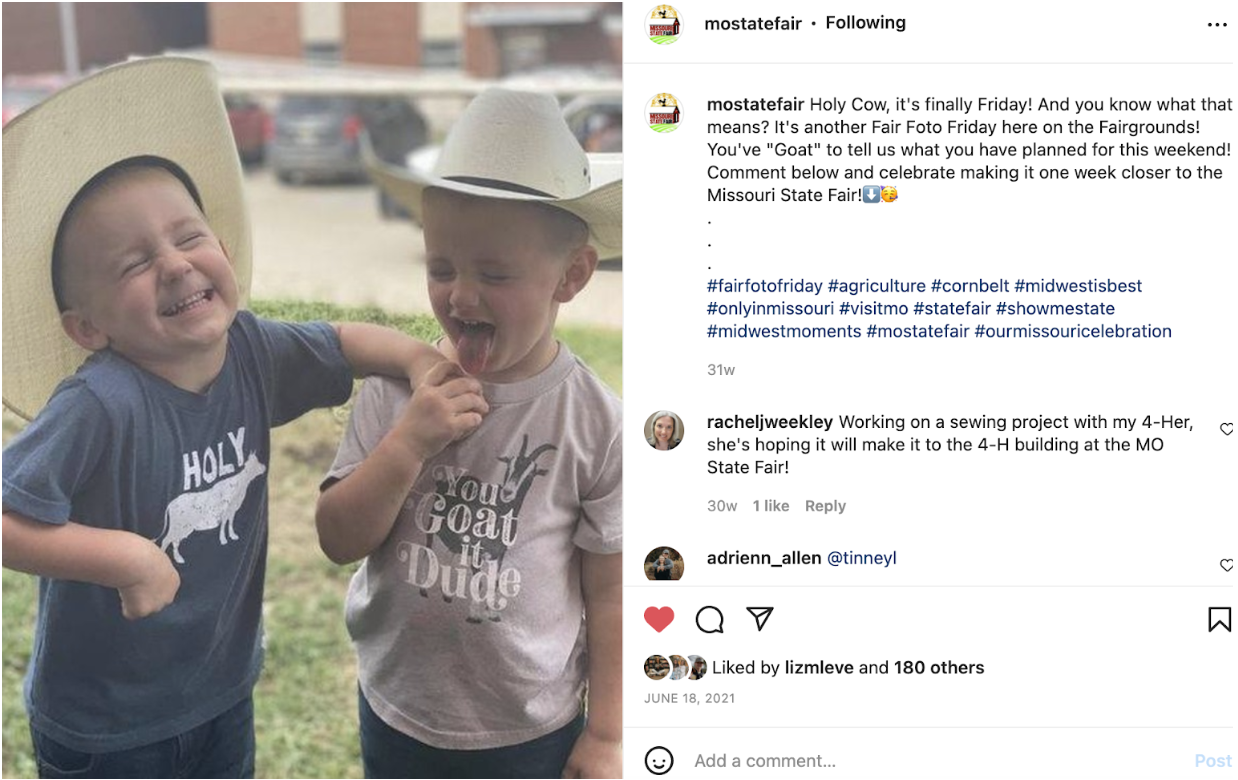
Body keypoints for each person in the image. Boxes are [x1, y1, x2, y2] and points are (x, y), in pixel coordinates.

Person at [0, 58, 481, 778]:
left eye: (188, 237)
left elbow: (345, 342)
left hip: (220, 690)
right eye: (133, 262)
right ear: (86, 327)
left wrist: (418, 364)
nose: (172, 264)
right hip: (107, 723)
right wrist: (126, 558)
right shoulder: (99, 404)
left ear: (222, 251)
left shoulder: (252, 349)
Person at [316, 88, 622, 779]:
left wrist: (607, 734)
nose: (460, 296)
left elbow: (609, 592)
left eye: (495, 273)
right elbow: (338, 539)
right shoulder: (395, 390)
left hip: (528, 732)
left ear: (570, 276)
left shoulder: (595, 424)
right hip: (398, 710)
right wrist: (408, 442)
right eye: (441, 267)